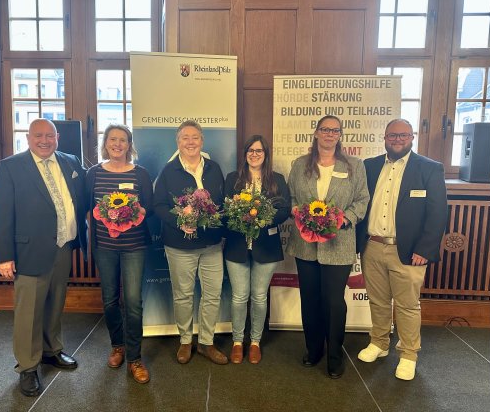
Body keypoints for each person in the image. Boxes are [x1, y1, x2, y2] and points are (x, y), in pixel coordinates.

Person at [0, 118, 87, 397]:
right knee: (28, 311)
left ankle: (51, 350)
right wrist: (4, 256)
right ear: (28, 137)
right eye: (38, 136)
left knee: (55, 304)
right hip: (28, 250)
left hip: (63, 246)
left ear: (57, 137)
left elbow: (81, 197)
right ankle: (28, 366)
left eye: (49, 136)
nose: (44, 141)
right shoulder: (11, 166)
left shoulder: (70, 161)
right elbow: (2, 214)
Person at [355, 118, 447, 381]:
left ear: (412, 137)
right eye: (392, 136)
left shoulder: (429, 168)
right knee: (378, 300)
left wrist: (425, 249)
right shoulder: (370, 166)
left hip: (409, 251)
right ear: (384, 137)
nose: (397, 140)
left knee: (407, 305)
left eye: (403, 135)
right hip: (372, 246)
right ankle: (379, 343)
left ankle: (408, 354)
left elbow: (438, 213)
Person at [285, 115, 369, 379]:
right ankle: (313, 350)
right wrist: (298, 212)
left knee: (333, 303)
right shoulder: (300, 165)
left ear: (340, 135)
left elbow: (362, 200)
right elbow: (292, 198)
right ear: (316, 133)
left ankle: (334, 355)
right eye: (325, 129)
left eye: (335, 130)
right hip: (305, 246)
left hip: (339, 244)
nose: (330, 134)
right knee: (309, 300)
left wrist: (345, 219)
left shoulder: (355, 165)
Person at [152, 120, 228, 365]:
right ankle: (186, 341)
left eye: (195, 137)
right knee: (183, 295)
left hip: (211, 245)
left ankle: (206, 342)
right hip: (179, 244)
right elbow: (159, 206)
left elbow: (223, 204)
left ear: (202, 141)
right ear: (178, 142)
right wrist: (179, 221)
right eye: (185, 137)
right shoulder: (168, 171)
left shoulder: (214, 169)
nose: (191, 142)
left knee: (212, 294)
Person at [84, 125, 154, 384]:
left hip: (135, 246)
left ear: (129, 145)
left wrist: (134, 215)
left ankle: (135, 358)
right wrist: (103, 217)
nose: (117, 144)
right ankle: (118, 346)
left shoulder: (141, 174)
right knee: (110, 300)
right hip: (105, 247)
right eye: (112, 139)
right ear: (105, 143)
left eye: (122, 140)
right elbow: (86, 207)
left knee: (134, 302)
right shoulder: (93, 173)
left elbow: (150, 207)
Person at [223, 135, 291, 364]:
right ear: (245, 154)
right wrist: (239, 218)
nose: (254, 154)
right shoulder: (232, 179)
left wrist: (263, 219)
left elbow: (285, 209)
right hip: (236, 246)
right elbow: (224, 210)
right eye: (250, 150)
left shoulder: (277, 180)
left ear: (266, 155)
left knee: (260, 297)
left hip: (267, 247)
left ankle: (254, 342)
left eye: (259, 151)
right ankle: (237, 341)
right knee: (239, 297)